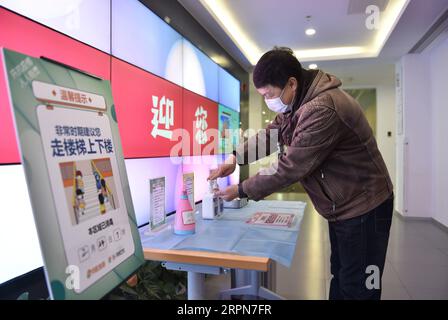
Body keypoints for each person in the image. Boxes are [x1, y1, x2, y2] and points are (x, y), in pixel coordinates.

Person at [208, 47, 393, 300]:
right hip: (344, 204)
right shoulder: (297, 103)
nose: (267, 101)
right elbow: (270, 136)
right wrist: (234, 158)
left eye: (268, 95)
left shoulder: (322, 108)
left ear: (291, 84)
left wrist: (241, 190)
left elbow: (290, 167)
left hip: (365, 205)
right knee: (342, 273)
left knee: (359, 285)